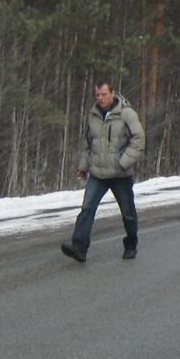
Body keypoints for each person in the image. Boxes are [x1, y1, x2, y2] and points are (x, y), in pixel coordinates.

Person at [61, 81, 145, 263]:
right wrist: (83, 166)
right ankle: (79, 247)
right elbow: (88, 143)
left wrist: (124, 162)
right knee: (87, 209)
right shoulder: (93, 115)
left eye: (104, 94)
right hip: (98, 174)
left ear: (113, 93)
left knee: (128, 212)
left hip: (120, 174)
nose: (100, 98)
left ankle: (131, 244)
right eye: (97, 95)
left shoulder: (126, 113)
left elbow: (139, 140)